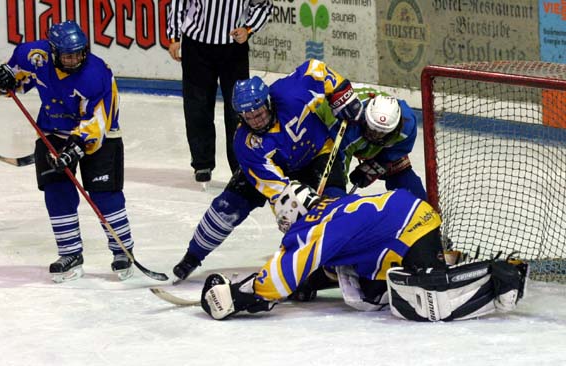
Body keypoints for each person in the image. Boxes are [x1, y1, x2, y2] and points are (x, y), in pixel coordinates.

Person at [172, 61, 426, 281]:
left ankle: (336, 263)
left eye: (259, 112)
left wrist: (341, 92)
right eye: (248, 117)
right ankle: (192, 256)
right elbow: (275, 187)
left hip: (319, 156)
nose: (256, 120)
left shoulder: (290, 94)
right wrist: (297, 199)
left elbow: (316, 69)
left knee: (337, 208)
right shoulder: (245, 144)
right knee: (226, 207)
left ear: (268, 102)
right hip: (279, 175)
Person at [200, 182, 529, 321]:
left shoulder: (310, 227)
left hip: (408, 229)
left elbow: (287, 269)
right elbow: (323, 265)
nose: (286, 230)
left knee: (427, 298)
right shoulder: (331, 206)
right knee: (370, 294)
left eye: (285, 222)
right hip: (406, 219)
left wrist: (242, 295)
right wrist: (306, 284)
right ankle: (447, 262)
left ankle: (502, 273)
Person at [0, 20, 135, 283]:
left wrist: (78, 146)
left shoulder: (97, 73)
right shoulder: (32, 55)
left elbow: (100, 118)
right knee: (56, 190)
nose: (75, 59)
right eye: (68, 56)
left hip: (100, 134)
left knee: (104, 192)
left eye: (79, 53)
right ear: (54, 52)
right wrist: (0, 81)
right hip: (53, 131)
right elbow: (14, 83)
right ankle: (70, 253)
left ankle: (122, 250)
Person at [167, 0, 273, 182]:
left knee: (238, 109)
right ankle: (202, 163)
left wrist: (248, 29)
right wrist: (174, 38)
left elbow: (264, 6)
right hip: (196, 45)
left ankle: (240, 164)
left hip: (234, 47)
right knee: (197, 105)